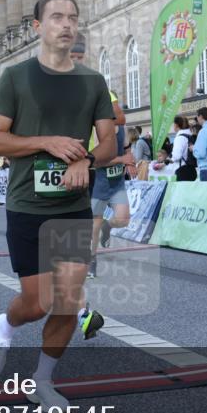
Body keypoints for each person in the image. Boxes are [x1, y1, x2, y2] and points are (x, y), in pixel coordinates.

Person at [0, 0, 115, 412]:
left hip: (73, 207)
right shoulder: (15, 78)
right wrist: (49, 143)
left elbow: (111, 141)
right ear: (38, 27)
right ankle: (5, 323)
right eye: (57, 17)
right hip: (28, 206)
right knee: (37, 304)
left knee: (68, 300)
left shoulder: (92, 81)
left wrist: (87, 160)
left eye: (72, 17)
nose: (67, 24)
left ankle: (41, 381)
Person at [88, 91, 133, 278]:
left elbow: (126, 148)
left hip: (117, 182)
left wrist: (129, 161)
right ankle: (91, 262)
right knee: (94, 226)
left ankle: (109, 226)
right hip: (99, 181)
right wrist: (123, 159)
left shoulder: (122, 127)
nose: (117, 110)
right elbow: (96, 161)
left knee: (123, 219)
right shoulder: (97, 131)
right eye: (114, 106)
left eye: (117, 106)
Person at [172, 116, 196, 181]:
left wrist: (171, 158)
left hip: (182, 170)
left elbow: (177, 156)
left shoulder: (179, 138)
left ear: (176, 125)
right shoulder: (190, 136)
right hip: (192, 169)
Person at [193, 107, 207, 181]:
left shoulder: (204, 131)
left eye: (197, 116)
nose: (197, 119)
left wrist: (194, 149)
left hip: (206, 168)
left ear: (201, 116)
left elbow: (201, 153)